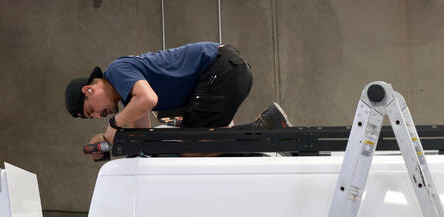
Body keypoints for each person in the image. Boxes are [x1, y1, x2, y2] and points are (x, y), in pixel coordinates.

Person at [65, 41, 288, 160]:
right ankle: (266, 130)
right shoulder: (130, 97)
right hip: (226, 72)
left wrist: (114, 125)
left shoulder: (116, 71)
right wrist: (106, 143)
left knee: (191, 148)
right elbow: (142, 141)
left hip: (219, 70)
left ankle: (265, 130)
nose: (96, 116)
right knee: (202, 146)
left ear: (89, 90)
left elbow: (148, 98)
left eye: (90, 111)